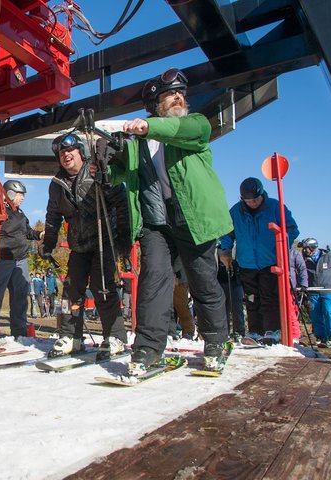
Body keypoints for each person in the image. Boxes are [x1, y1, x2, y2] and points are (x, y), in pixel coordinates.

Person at [109, 67, 233, 374]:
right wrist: (106, 160)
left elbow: (189, 130)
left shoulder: (193, 125)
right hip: (156, 221)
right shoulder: (139, 141)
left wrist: (147, 127)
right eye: (169, 94)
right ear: (154, 104)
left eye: (180, 93)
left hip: (193, 217)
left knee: (203, 281)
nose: (178, 97)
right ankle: (148, 350)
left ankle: (216, 342)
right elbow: (120, 173)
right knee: (153, 282)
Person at [39, 131, 130, 361]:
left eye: (70, 150)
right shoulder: (57, 184)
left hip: (103, 240)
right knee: (71, 290)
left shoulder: (95, 171)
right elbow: (52, 217)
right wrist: (48, 243)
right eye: (61, 153)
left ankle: (115, 336)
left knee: (103, 288)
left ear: (80, 151)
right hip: (79, 245)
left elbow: (120, 201)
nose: (66, 155)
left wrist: (123, 239)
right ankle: (72, 337)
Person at [219, 177, 299, 344]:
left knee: (269, 296)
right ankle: (255, 330)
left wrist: (282, 244)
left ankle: (272, 329)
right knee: (251, 298)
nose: (253, 203)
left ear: (262, 194)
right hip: (247, 262)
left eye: (256, 199)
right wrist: (225, 249)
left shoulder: (275, 207)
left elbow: (291, 228)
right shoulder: (236, 211)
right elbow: (226, 232)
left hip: (269, 260)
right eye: (249, 201)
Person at [0, 180, 43, 339]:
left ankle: (19, 332)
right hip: (2, 259)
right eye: (21, 195)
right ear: (11, 193)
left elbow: (27, 232)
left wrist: (40, 234)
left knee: (20, 296)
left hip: (21, 260)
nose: (23, 198)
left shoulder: (20, 213)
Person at [300, 238, 331, 347]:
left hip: (327, 290)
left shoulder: (328, 256)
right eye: (304, 248)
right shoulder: (304, 259)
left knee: (329, 312)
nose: (305, 250)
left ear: (313, 247)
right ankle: (321, 336)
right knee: (315, 314)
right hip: (313, 291)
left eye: (307, 248)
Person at [217, 252, 246, 341]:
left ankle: (239, 331)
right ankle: (224, 331)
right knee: (222, 309)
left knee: (237, 307)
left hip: (235, 281)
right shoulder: (214, 245)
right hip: (219, 281)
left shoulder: (231, 241)